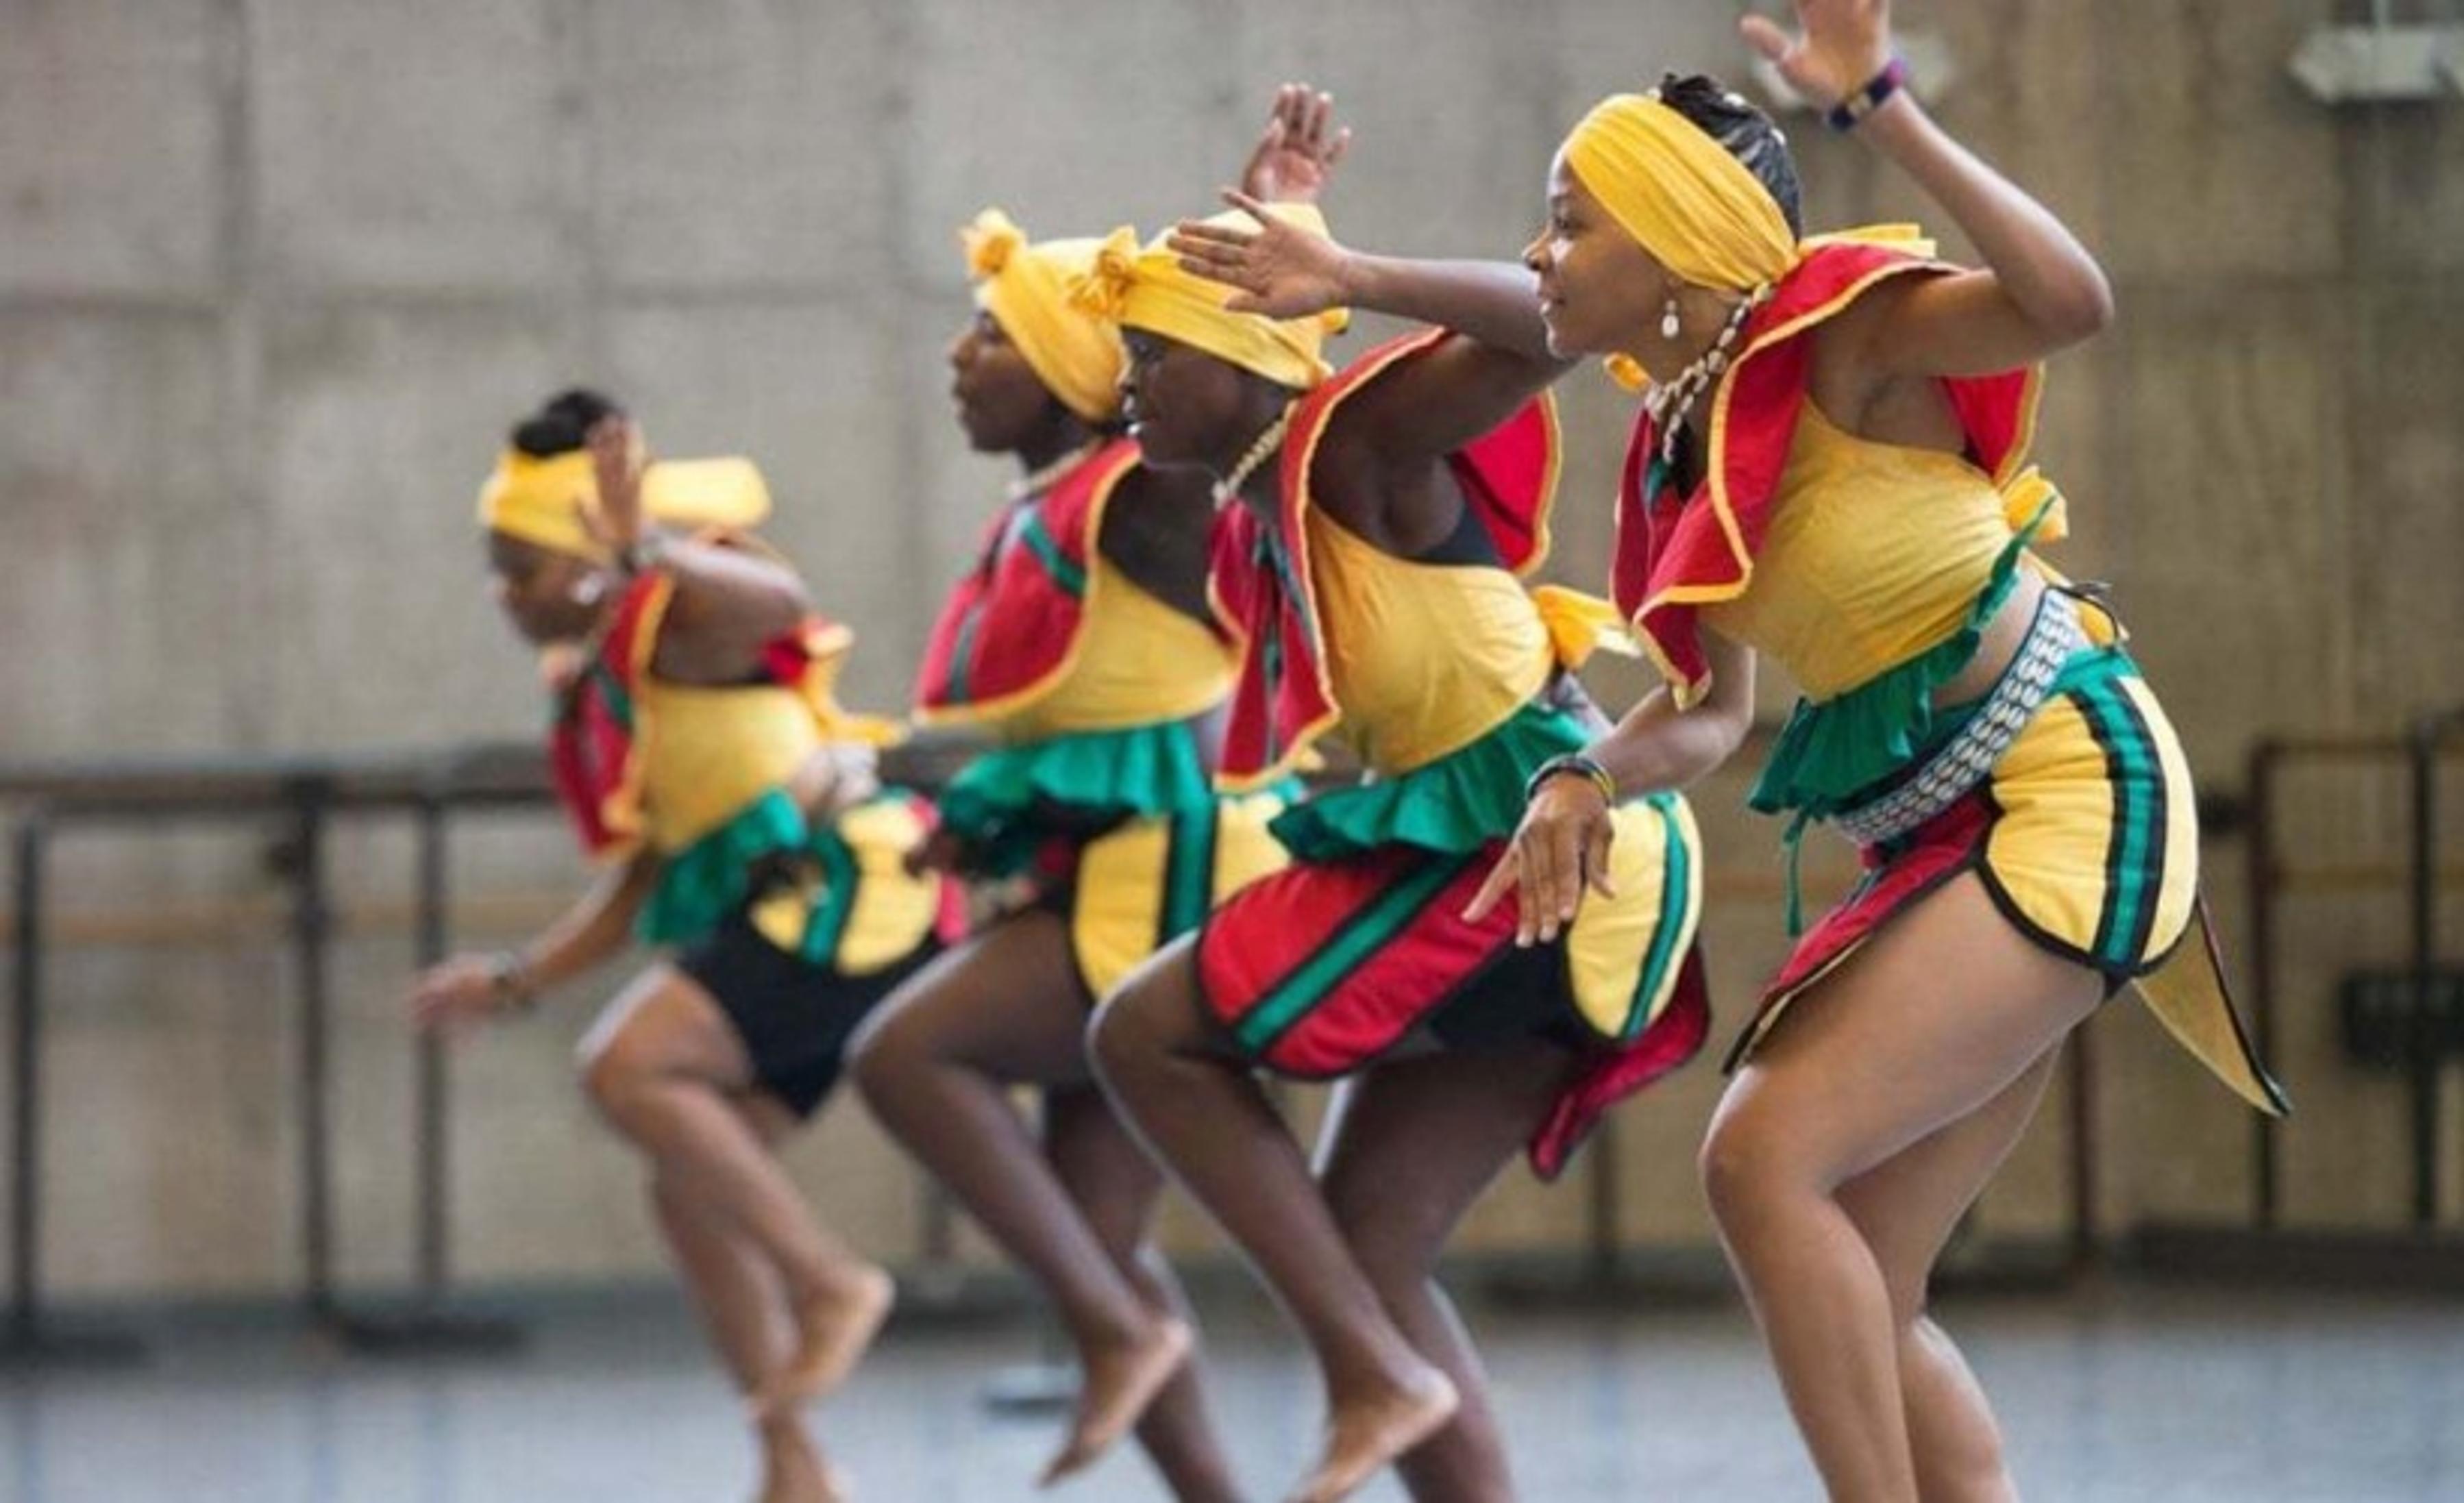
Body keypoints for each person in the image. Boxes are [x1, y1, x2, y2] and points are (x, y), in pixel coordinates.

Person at [1170, 6, 2288, 1498]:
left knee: (1759, 1163)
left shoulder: (1846, 338)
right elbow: (1703, 710)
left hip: (2071, 783)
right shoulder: (1677, 448)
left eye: (1571, 221)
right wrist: (1580, 773)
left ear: (1683, 235)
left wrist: (1881, 104)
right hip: (1939, 829)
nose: (1544, 254)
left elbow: (2069, 302)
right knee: (1866, 1289)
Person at [1077, 145, 1710, 1503]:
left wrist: (1348, 273)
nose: (1125, 385)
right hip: (1522, 857)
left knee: (1141, 1028)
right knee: (1370, 1236)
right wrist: (1287, 239)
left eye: (1149, 358)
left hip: (1548, 842)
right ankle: (1381, 1363)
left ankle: (1371, 1372)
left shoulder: (1353, 446)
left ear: (1240, 356)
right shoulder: (1259, 509)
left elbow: (1540, 319)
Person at [845, 87, 1346, 1499]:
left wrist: (1266, 246)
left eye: (996, 331)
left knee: (906, 1054)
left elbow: (1262, 449)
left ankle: (1120, 1326)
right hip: (1101, 859)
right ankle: (1158, 1392)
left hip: (1167, 863)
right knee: (1097, 1229)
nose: (961, 353)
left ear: (1081, 369)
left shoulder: (1141, 488)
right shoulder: (1056, 496)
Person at [410, 390, 957, 1503]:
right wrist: (511, 980)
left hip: (850, 901)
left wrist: (647, 549)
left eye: (518, 568)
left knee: (626, 1065)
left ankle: (829, 1282)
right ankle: (794, 1466)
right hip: (783, 915)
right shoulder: (609, 670)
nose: (502, 595)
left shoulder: (678, 615)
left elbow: (782, 598)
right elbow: (644, 876)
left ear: (580, 566)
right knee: (688, 1189)